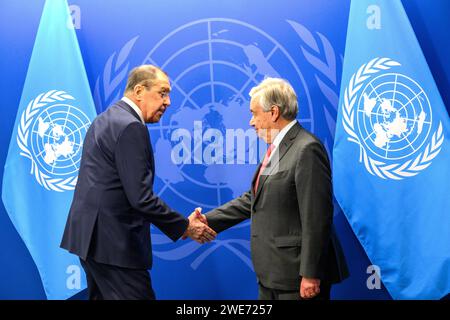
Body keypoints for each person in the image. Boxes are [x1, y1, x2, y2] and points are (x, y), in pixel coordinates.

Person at [60, 65, 216, 300]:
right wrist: (184, 226)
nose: (168, 102)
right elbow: (140, 197)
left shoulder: (106, 118)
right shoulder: (131, 126)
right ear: (139, 90)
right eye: (162, 93)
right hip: (114, 247)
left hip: (91, 241)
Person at [200, 77, 349, 300]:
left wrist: (310, 274)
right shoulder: (279, 147)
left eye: (254, 113)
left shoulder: (306, 148)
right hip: (272, 276)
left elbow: (317, 217)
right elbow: (254, 198)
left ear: (273, 112)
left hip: (297, 278)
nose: (251, 122)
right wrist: (206, 221)